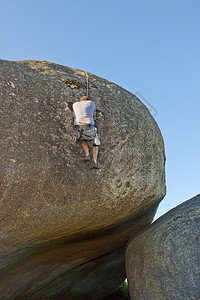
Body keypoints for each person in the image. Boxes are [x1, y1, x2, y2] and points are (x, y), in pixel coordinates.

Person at [72, 96, 100, 169]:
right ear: (88, 100)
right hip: (88, 126)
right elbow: (94, 116)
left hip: (78, 127)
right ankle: (95, 162)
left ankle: (87, 155)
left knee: (83, 140)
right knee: (95, 143)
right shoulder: (91, 103)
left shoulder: (75, 104)